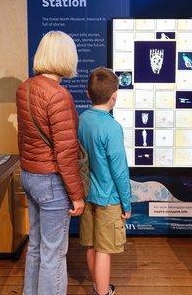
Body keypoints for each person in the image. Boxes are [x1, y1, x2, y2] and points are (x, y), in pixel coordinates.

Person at [16, 31, 85, 295]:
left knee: (36, 245)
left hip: (30, 175)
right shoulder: (59, 96)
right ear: (66, 57)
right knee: (54, 253)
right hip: (51, 182)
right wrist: (76, 196)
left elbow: (23, 136)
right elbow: (66, 153)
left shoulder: (25, 88)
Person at [78, 67, 132, 295]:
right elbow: (119, 172)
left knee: (91, 244)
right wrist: (127, 204)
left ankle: (97, 285)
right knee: (104, 249)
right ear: (114, 96)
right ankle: (103, 292)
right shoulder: (112, 127)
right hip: (108, 198)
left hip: (86, 194)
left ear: (88, 94)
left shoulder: (82, 119)